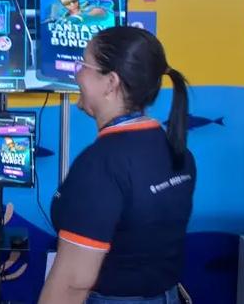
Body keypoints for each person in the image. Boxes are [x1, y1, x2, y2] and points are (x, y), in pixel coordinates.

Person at [39, 26, 196, 304]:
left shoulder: (101, 165)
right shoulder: (179, 152)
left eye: (82, 65)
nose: (76, 74)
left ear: (111, 82)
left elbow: (72, 285)